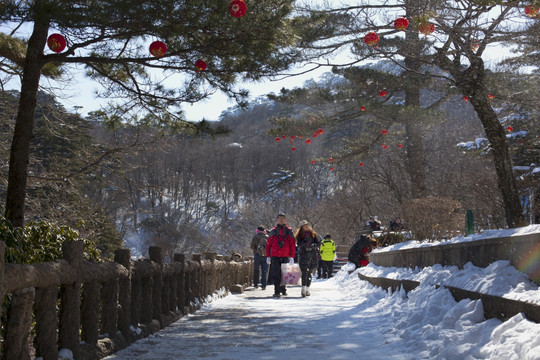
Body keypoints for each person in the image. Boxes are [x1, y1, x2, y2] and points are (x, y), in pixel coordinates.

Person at [266, 213, 296, 298]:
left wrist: (292, 256)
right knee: (276, 274)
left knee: (285, 274)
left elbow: (292, 244)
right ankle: (277, 291)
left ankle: (283, 289)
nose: (281, 220)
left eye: (283, 218)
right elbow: (269, 244)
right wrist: (268, 256)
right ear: (277, 220)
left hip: (285, 255)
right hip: (275, 255)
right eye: (279, 218)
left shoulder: (289, 231)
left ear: (285, 220)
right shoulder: (273, 231)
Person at [294, 220, 321, 297]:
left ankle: (308, 288)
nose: (307, 226)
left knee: (310, 272)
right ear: (302, 227)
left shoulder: (313, 234)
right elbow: (299, 244)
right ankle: (303, 288)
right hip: (303, 255)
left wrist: (313, 246)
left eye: (307, 225)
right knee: (304, 272)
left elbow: (318, 243)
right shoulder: (299, 235)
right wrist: (305, 244)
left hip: (312, 255)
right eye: (305, 225)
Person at [250, 226, 269, 290]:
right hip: (265, 256)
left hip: (257, 255)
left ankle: (256, 284)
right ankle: (264, 285)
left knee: (256, 270)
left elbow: (252, 246)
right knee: (264, 271)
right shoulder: (267, 237)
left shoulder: (255, 237)